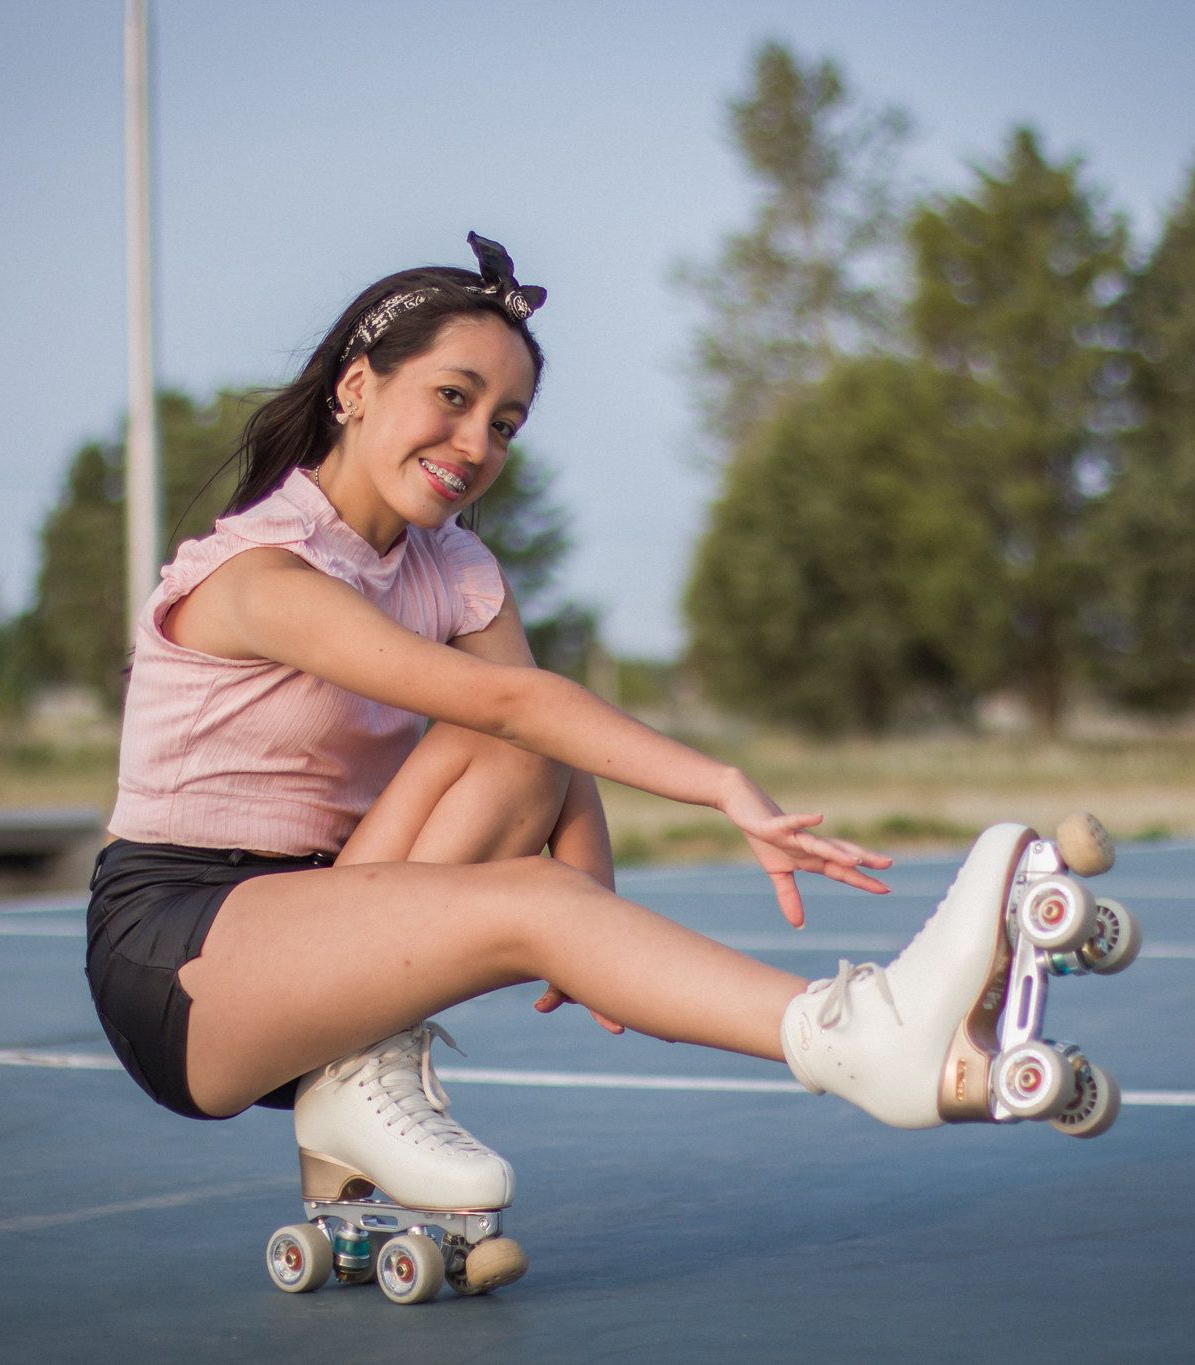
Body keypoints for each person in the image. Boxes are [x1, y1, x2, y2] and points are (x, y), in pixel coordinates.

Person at [85, 234, 1050, 1233]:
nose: (475, 447)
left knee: (516, 760)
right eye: (452, 399)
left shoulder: (451, 567)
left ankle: (352, 1079)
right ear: (356, 387)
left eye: (504, 424)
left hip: (337, 925)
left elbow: (539, 737)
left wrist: (593, 924)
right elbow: (516, 706)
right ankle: (859, 1038)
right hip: (185, 958)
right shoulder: (259, 577)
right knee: (511, 771)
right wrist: (720, 788)